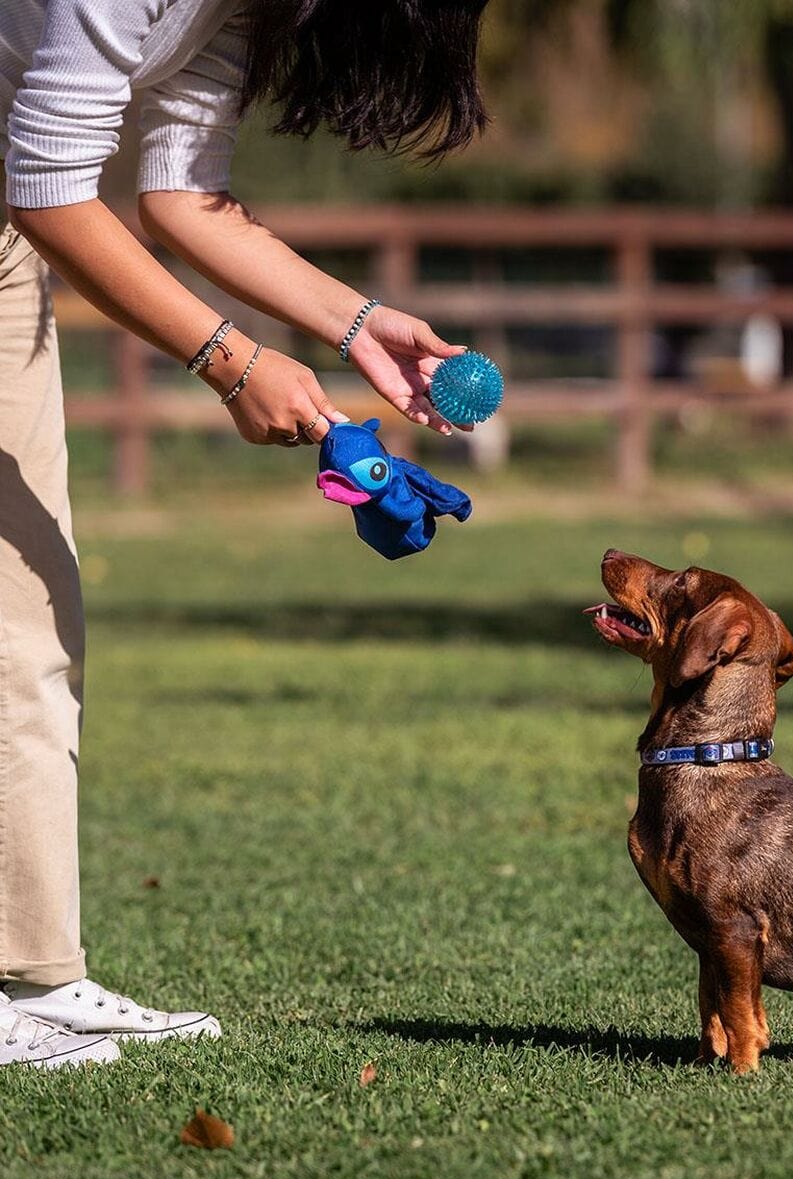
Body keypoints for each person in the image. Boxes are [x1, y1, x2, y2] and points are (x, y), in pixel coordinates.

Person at [0, 0, 488, 1068]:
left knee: (29, 618)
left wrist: (358, 325)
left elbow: (178, 195)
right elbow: (49, 186)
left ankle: (32, 976)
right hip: (18, 206)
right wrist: (231, 361)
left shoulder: (241, 9)